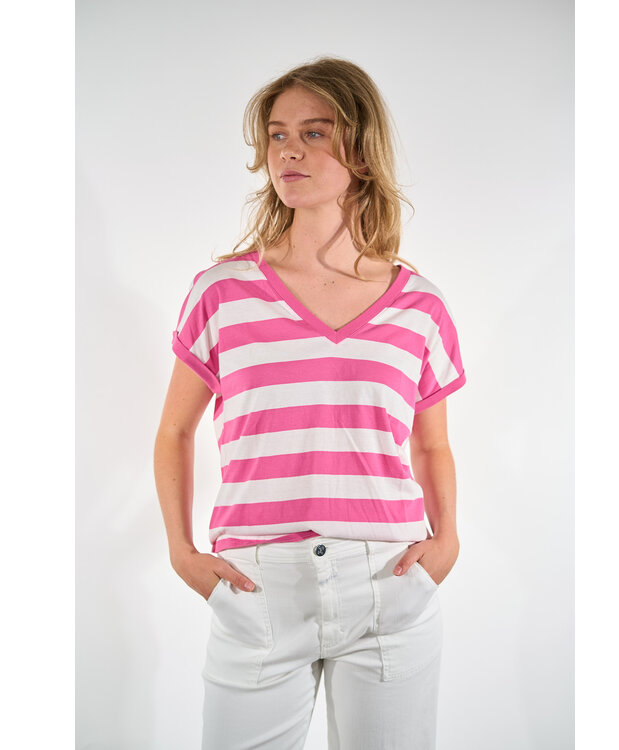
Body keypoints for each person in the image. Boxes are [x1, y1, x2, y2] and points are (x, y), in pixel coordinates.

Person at [153, 55, 466, 749]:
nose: (288, 151)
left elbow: (432, 443)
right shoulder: (222, 293)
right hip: (257, 586)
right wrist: (181, 552)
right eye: (277, 135)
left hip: (389, 578)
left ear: (362, 150)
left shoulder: (420, 306)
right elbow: (174, 430)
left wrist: (447, 541)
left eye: (315, 133)